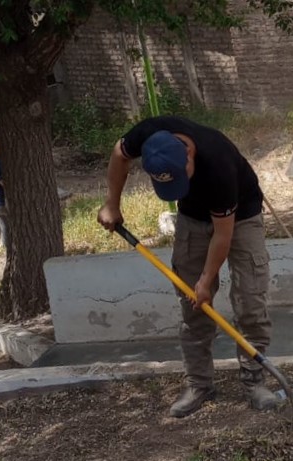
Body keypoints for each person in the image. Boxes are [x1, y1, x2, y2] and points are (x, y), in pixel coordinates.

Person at [97, 116, 280, 418]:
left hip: (241, 217)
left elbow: (223, 235)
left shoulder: (218, 163)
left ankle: (254, 382)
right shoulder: (147, 135)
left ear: (189, 155)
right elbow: (119, 154)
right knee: (192, 304)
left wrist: (207, 280)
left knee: (250, 300)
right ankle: (199, 384)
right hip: (192, 219)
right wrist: (112, 203)